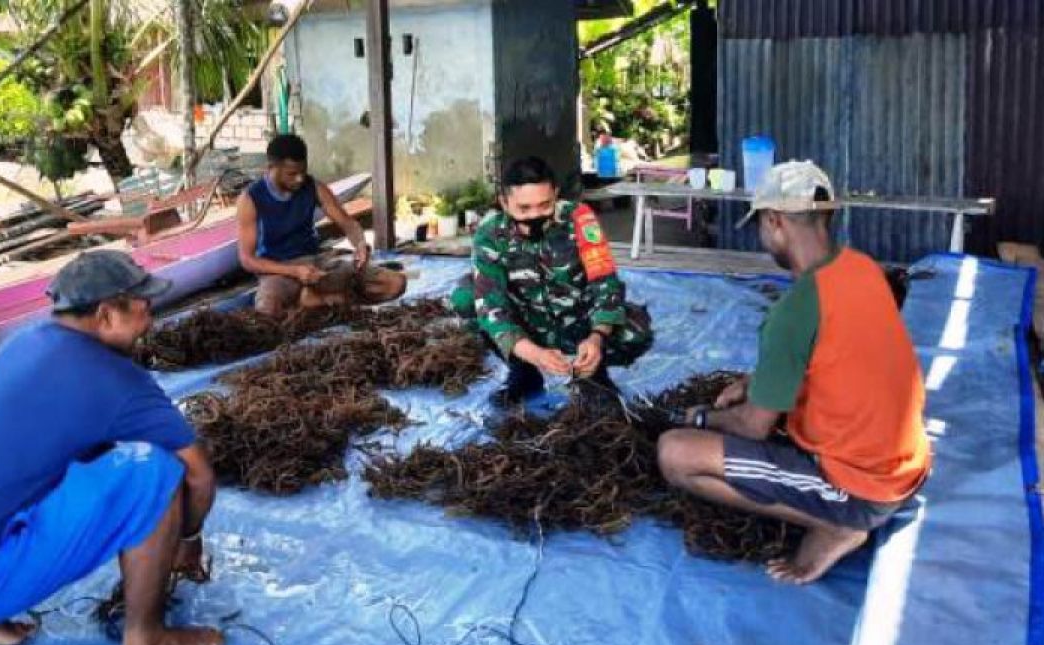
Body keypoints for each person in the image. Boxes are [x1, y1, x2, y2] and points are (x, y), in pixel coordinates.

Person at [0, 250, 223, 645]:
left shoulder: (26, 342)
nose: (151, 320)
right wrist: (188, 537)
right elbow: (199, 474)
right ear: (106, 315)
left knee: (57, 472)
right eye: (144, 308)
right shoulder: (117, 382)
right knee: (156, 473)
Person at [658, 161, 932, 584]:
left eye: (762, 227)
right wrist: (758, 382)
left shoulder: (794, 311)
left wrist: (698, 417)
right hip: (907, 462)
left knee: (675, 453)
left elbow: (752, 428)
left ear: (774, 221)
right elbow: (841, 355)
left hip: (862, 487)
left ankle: (838, 524)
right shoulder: (863, 268)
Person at [451, 156, 652, 406]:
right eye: (523, 209)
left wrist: (597, 337)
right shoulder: (490, 233)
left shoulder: (580, 218)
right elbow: (491, 306)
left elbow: (605, 282)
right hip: (527, 325)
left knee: (635, 332)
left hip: (578, 322)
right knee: (465, 299)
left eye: (544, 205)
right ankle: (523, 373)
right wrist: (531, 353)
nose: (535, 215)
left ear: (556, 194)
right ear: (504, 202)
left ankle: (592, 374)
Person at [237, 133, 406, 319]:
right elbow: (247, 260)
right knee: (267, 311)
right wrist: (294, 271)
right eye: (292, 174)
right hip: (279, 270)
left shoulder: (313, 187)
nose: (300, 179)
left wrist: (359, 244)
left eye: (303, 171)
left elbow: (348, 224)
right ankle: (326, 301)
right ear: (271, 168)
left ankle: (313, 302)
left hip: (317, 265)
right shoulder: (250, 199)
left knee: (394, 283)